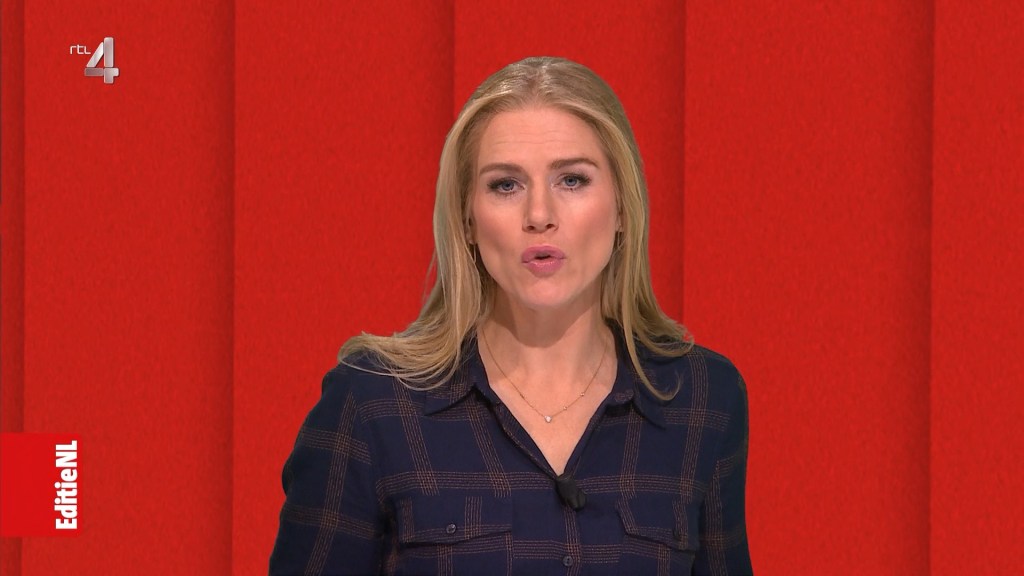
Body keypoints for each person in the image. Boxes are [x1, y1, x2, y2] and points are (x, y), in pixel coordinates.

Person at [269, 56, 752, 575]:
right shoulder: (371, 404)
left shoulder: (702, 398)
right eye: (505, 185)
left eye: (572, 180)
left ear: (621, 208)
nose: (539, 215)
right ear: (467, 219)